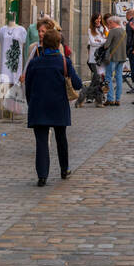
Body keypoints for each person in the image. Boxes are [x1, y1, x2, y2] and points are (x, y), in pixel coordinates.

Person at [22, 28, 83, 186]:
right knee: (61, 138)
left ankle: (42, 176)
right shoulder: (64, 61)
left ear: (44, 43)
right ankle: (64, 169)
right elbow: (77, 84)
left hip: (38, 105)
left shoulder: (35, 63)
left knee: (41, 141)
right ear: (58, 44)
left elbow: (28, 86)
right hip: (58, 105)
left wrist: (31, 103)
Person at [102, 14, 128, 107]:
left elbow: (106, 45)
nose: (108, 25)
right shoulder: (124, 31)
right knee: (119, 78)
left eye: (110, 23)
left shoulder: (112, 31)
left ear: (114, 22)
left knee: (108, 77)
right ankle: (118, 99)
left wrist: (105, 40)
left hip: (113, 57)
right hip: (122, 57)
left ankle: (110, 99)